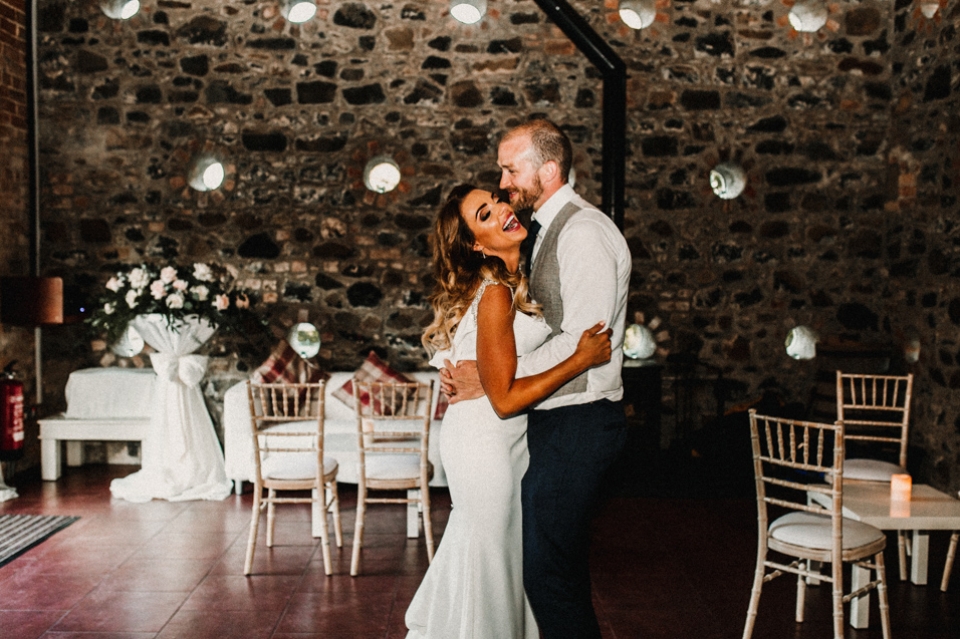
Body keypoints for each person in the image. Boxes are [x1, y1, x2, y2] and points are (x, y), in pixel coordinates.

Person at [443, 119, 632, 639]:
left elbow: (585, 342)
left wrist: (489, 379)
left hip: (579, 421)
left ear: (547, 170)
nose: (504, 183)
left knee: (549, 575)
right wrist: (491, 374)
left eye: (510, 169)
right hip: (544, 422)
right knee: (545, 570)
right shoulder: (539, 235)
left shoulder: (585, 232)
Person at [405, 184, 613, 639]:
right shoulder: (496, 290)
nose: (502, 208)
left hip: (496, 438)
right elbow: (505, 398)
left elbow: (488, 366)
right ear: (477, 244)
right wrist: (580, 359)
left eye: (497, 199)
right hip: (485, 444)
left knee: (485, 553)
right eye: (485, 213)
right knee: (492, 562)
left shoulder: (510, 280)